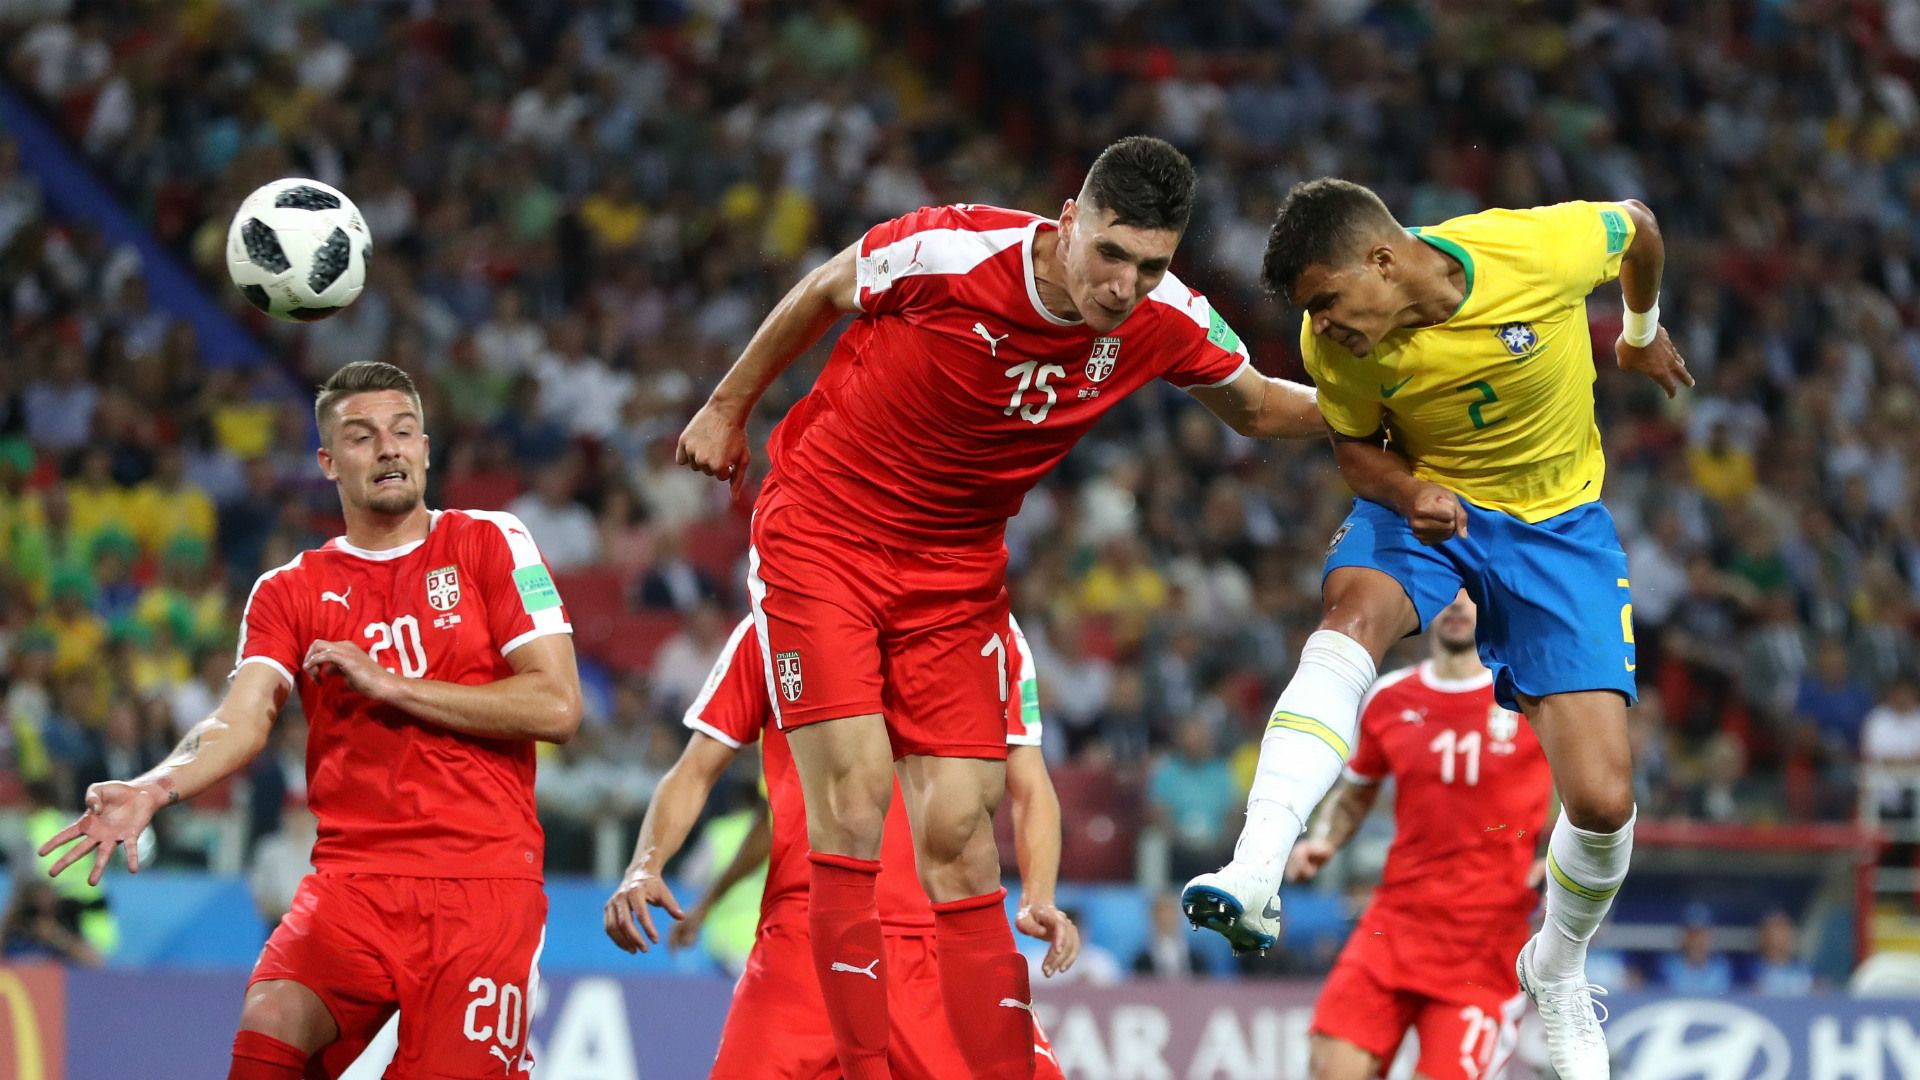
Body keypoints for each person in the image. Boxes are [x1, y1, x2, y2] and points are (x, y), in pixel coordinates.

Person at [675, 134, 1324, 1077]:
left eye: (1149, 265)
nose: (1124, 285)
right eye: (1110, 253)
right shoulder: (951, 250)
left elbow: (1260, 406)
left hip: (955, 569)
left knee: (961, 844)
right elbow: (823, 287)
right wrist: (727, 407)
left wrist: (1385, 412)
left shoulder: (1166, 316)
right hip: (826, 532)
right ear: (1070, 223)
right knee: (854, 809)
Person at [1188, 178, 1691, 1080]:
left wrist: (1641, 333)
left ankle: (1559, 968)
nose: (1323, 330)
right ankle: (1255, 860)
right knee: (1351, 614)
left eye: (1328, 303)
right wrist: (1406, 490)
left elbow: (1641, 232)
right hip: (1427, 500)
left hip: (1557, 528)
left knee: (1606, 802)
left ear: (1382, 261)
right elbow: (1350, 447)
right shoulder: (1333, 339)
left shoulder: (1534, 254)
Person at [39, 362, 583, 1079]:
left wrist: (393, 686)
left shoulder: (491, 542)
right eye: (362, 437)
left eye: (403, 431)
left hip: (482, 886)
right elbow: (242, 718)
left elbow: (557, 705)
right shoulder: (290, 590)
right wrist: (153, 785)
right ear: (328, 462)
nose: (388, 448)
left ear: (425, 448)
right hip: (351, 880)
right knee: (271, 1020)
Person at [603, 614, 1073, 1079]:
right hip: (806, 942)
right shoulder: (779, 615)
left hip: (941, 941)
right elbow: (695, 769)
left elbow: (1030, 784)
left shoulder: (988, 624)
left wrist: (1040, 896)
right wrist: (645, 864)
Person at [1286, 592, 1550, 1080]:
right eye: (1447, 592)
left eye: (1471, 593)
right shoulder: (1389, 697)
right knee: (1330, 1069)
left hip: (1482, 946)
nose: (1457, 604)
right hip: (1394, 927)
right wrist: (1321, 840)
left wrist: (1558, 858)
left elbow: (1578, 790)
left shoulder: (1533, 699)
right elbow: (1356, 791)